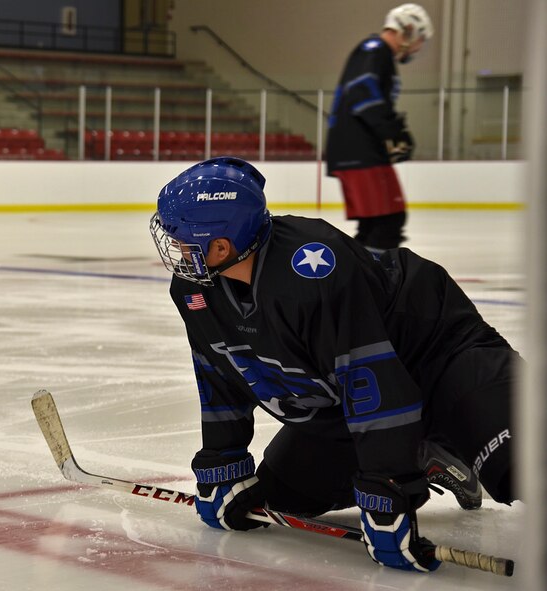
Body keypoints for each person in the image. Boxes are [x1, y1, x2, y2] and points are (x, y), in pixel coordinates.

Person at [150, 157, 518, 573]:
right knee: (279, 495)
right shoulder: (194, 289)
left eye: (182, 238)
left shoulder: (312, 270)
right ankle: (424, 453)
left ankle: (439, 440)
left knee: (520, 463)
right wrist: (223, 462)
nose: (175, 249)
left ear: (221, 246)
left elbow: (370, 378)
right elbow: (217, 373)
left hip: (442, 360)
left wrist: (388, 491)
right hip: (354, 400)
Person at [326, 4, 433, 255]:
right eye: (420, 38)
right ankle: (374, 283)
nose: (419, 46)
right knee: (388, 221)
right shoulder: (375, 50)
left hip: (358, 148)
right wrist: (391, 132)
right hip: (360, 149)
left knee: (376, 222)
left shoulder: (375, 53)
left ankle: (361, 279)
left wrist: (390, 130)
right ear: (408, 30)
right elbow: (364, 95)